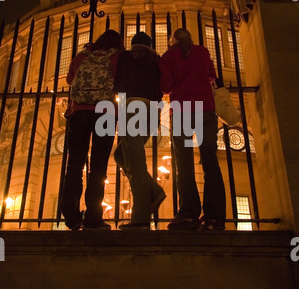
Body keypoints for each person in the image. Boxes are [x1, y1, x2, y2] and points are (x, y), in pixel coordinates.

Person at [159, 28, 226, 231]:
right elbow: (212, 76)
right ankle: (215, 216)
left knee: (184, 163)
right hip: (205, 109)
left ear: (172, 40)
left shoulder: (168, 56)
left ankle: (188, 214)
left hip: (182, 111)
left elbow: (165, 87)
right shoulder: (203, 52)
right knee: (210, 161)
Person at [61, 29, 124, 230]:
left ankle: (70, 215)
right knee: (98, 167)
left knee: (74, 165)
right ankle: (93, 217)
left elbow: (70, 80)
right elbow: (121, 83)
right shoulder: (117, 57)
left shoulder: (82, 56)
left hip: (79, 111)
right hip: (105, 112)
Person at [114, 32, 166, 230]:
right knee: (121, 154)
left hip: (132, 106)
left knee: (134, 160)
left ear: (133, 45)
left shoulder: (125, 58)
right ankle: (153, 190)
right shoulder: (157, 60)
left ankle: (141, 217)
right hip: (152, 110)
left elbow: (117, 84)